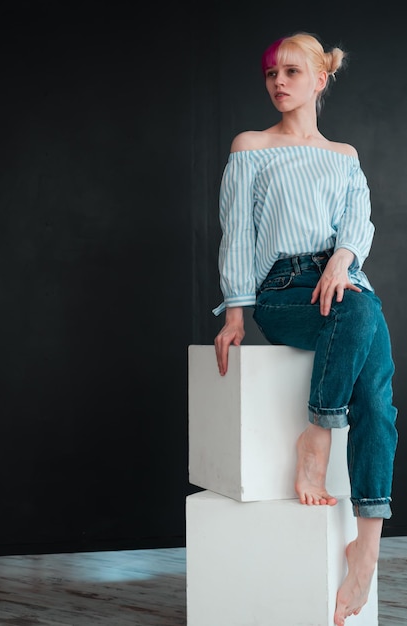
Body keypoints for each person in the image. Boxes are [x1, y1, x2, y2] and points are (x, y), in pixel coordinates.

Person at [212, 31, 398, 626]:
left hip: (343, 284)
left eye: (292, 72)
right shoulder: (251, 146)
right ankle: (318, 436)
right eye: (271, 74)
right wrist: (236, 311)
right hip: (284, 291)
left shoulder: (344, 156)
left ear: (321, 80)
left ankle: (366, 545)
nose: (279, 82)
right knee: (363, 312)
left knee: (377, 397)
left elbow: (359, 222)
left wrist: (344, 259)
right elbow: (237, 230)